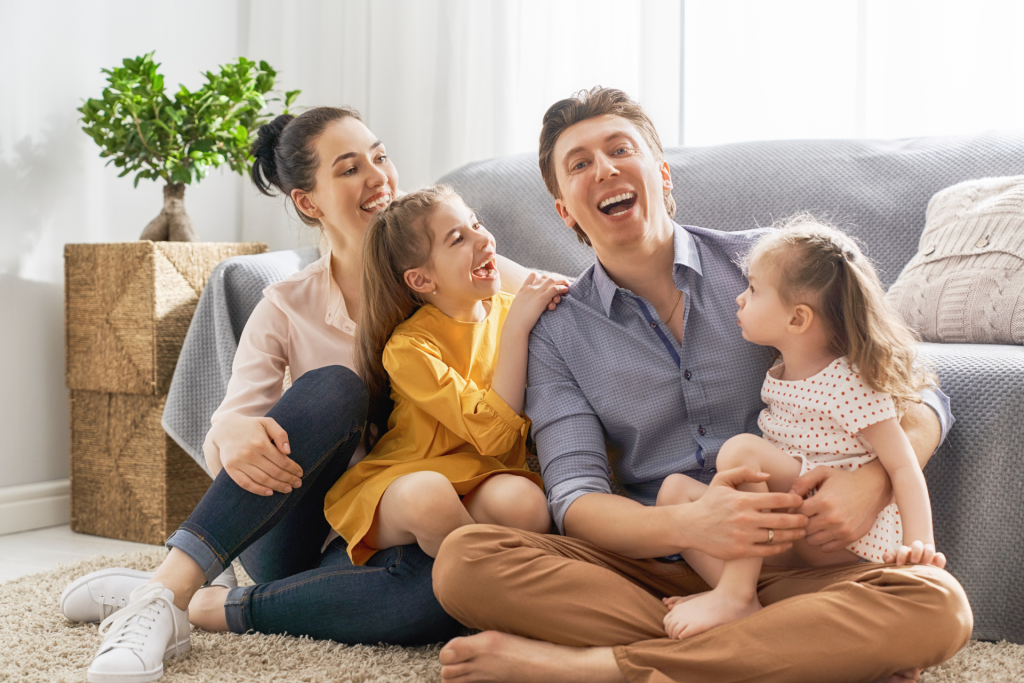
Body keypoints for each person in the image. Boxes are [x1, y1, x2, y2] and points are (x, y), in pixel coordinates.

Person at [431, 87, 972, 683]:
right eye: (579, 163)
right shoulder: (558, 333)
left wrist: (869, 483)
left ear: (660, 174)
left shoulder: (770, 264)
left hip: (807, 558)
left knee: (939, 605)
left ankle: (599, 668)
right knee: (464, 561)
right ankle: (798, 647)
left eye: (619, 149)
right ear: (564, 210)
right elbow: (576, 500)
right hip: (654, 567)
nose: (604, 169)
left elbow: (918, 391)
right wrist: (691, 525)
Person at [58, 106, 546, 683]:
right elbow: (230, 440)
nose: (378, 177)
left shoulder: (448, 262)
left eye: (380, 156)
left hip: (408, 520)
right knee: (334, 389)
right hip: (299, 527)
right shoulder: (288, 305)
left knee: (442, 599)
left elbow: (545, 295)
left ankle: (205, 603)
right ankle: (164, 596)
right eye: (348, 169)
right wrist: (230, 430)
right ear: (308, 202)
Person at [659, 215, 947, 642]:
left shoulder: (848, 381)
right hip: (794, 525)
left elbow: (903, 465)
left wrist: (920, 545)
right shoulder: (781, 370)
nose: (739, 300)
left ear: (797, 320)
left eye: (753, 290)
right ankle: (746, 601)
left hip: (845, 538)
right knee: (674, 495)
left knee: (741, 452)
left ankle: (736, 596)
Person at [324, 186, 563, 566]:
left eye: (476, 224)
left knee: (527, 505)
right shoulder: (407, 348)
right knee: (430, 497)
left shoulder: (510, 310)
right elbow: (492, 432)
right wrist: (518, 327)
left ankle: (454, 562)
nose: (484, 239)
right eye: (458, 238)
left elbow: (499, 452)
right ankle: (475, 583)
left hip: (482, 475)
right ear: (421, 280)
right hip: (407, 480)